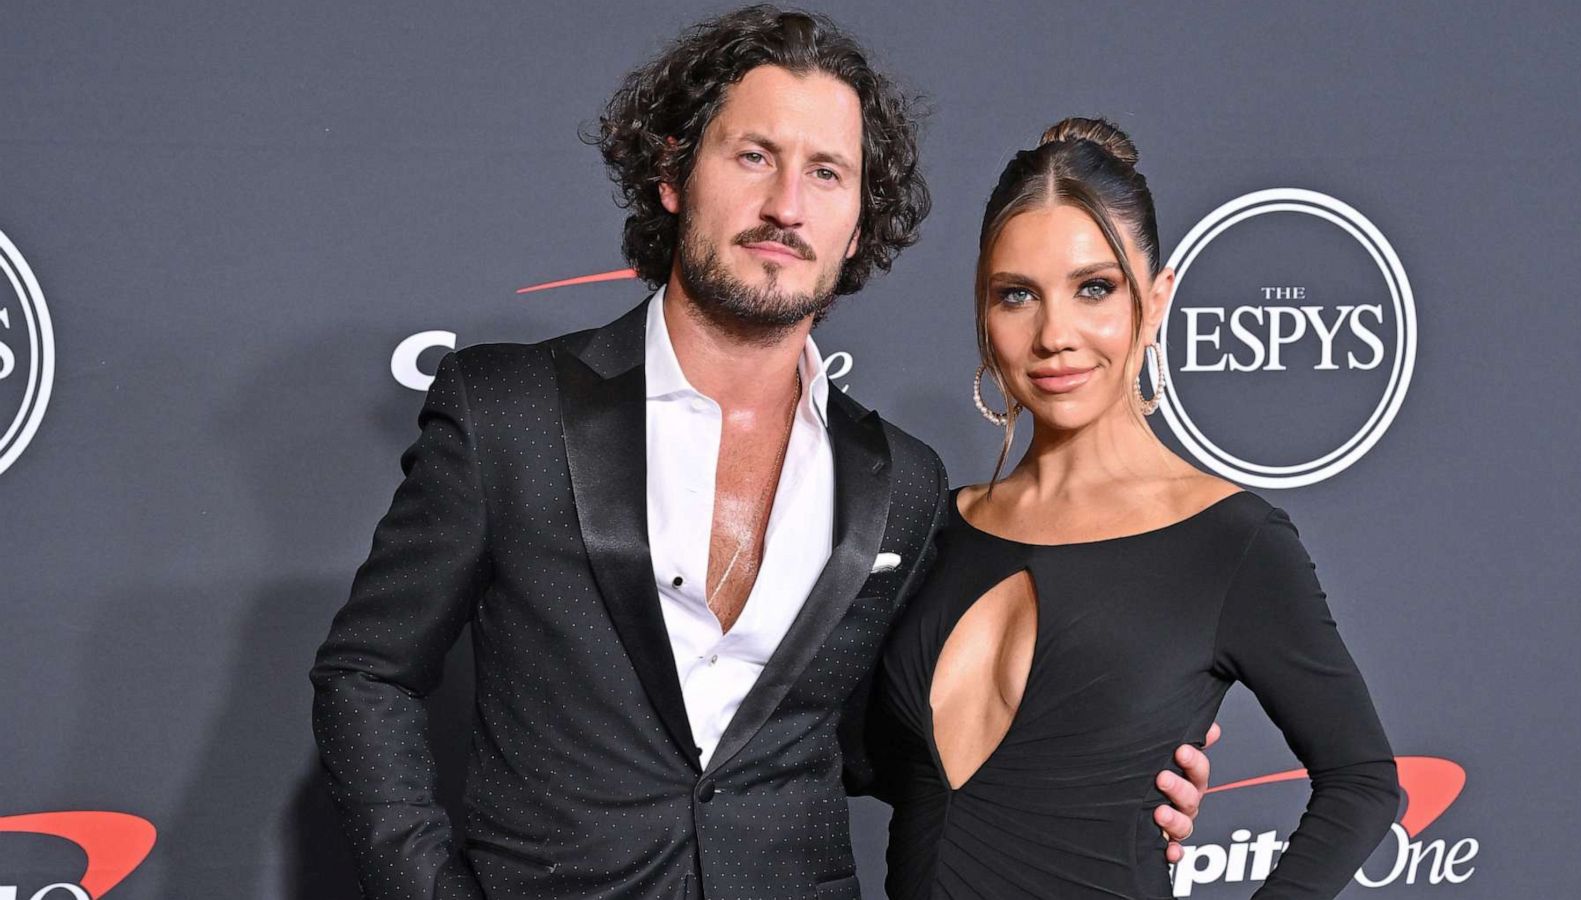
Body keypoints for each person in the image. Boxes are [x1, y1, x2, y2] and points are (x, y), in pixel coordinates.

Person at [310, 9, 1211, 899]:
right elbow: (367, 675)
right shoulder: (509, 411)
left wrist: (1118, 780)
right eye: (754, 156)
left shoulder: (902, 481)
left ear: (859, 227)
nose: (787, 206)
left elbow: (896, 744)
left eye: (827, 173)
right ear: (673, 175)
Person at [864, 116, 1401, 899]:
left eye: (1094, 289)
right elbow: (879, 771)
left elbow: (1362, 780)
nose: (1055, 334)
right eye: (1017, 295)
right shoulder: (933, 527)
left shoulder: (1229, 542)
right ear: (984, 314)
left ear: (1155, 301)